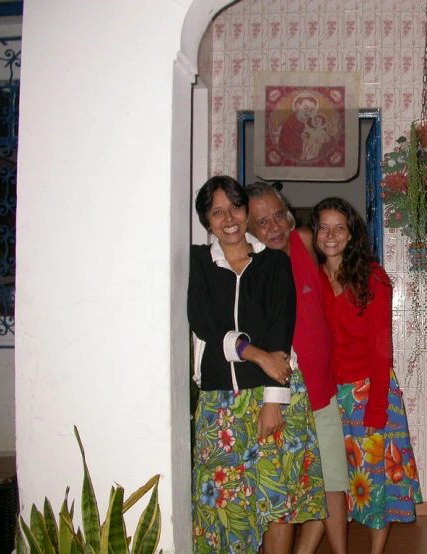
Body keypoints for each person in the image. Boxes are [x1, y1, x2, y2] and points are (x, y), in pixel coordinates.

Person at [188, 176, 326, 554]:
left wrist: (273, 400)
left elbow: (280, 334)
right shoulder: (198, 262)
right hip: (220, 404)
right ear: (206, 219)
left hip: (272, 394)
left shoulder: (274, 264)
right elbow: (206, 325)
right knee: (224, 506)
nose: (228, 218)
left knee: (275, 503)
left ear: (246, 213)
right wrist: (256, 354)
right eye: (217, 212)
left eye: (235, 208)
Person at [310, 197, 422, 554]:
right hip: (329, 396)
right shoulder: (312, 280)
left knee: (377, 483)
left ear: (352, 233)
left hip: (371, 390)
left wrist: (376, 409)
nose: (331, 235)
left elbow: (381, 348)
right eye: (323, 227)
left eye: (339, 227)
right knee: (333, 482)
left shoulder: (373, 277)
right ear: (315, 233)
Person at [245, 181, 349, 554]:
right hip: (282, 393)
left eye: (278, 216)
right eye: (262, 222)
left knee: (334, 483)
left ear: (289, 217)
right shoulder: (251, 268)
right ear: (248, 229)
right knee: (285, 490)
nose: (274, 227)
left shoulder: (304, 241)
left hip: (322, 389)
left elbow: (340, 242)